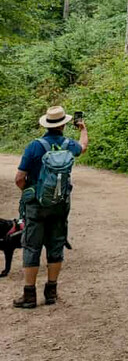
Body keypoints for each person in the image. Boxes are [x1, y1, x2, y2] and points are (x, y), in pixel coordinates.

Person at [13, 105, 88, 309]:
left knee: (31, 246)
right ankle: (51, 292)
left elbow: (19, 178)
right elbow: (83, 147)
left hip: (36, 205)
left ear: (46, 123)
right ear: (63, 124)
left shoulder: (35, 146)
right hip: (60, 204)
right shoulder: (68, 144)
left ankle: (29, 296)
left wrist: (30, 193)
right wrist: (82, 129)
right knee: (56, 245)